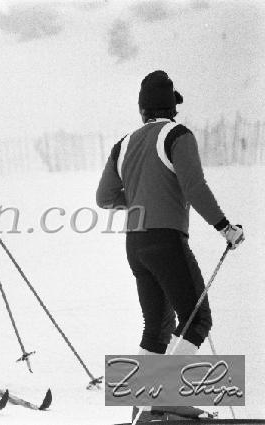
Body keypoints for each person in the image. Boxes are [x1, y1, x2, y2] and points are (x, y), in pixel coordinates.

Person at [96, 70, 244, 421]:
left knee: (157, 327)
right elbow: (195, 188)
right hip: (166, 240)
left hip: (136, 244)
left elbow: (104, 197)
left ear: (142, 110)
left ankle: (143, 406)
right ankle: (164, 399)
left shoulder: (123, 144)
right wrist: (225, 227)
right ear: (172, 108)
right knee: (197, 319)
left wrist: (137, 197)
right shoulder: (177, 135)